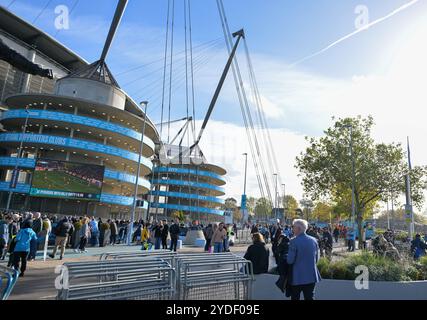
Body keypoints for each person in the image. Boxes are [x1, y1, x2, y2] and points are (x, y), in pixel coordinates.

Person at [287, 219, 321, 301]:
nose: (292, 229)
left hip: (297, 276)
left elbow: (290, 261)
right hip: (311, 276)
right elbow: (317, 259)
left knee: (295, 297)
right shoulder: (314, 240)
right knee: (310, 297)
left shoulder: (293, 241)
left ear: (298, 229)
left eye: (293, 227)